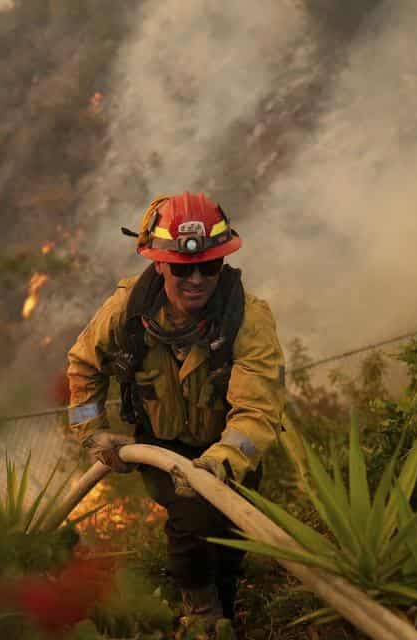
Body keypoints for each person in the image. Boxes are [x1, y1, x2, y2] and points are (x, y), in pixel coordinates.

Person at [65, 192, 286, 629]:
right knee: (191, 522)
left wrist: (223, 459)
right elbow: (83, 365)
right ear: (161, 263)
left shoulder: (248, 319)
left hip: (228, 454)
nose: (197, 279)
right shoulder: (127, 311)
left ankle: (227, 607)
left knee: (229, 544)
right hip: (161, 447)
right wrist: (90, 432)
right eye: (184, 268)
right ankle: (201, 617)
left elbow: (257, 411)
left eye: (210, 266)